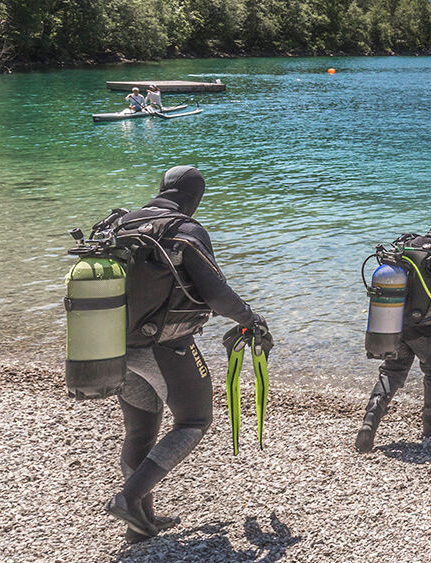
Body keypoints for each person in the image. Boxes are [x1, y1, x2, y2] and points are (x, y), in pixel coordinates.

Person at [104, 166, 270, 542]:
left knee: (140, 430)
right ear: (194, 198)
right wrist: (251, 318)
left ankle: (138, 526)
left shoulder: (123, 224)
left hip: (114, 345)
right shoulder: (185, 231)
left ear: (162, 189)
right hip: (165, 347)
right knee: (194, 421)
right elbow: (217, 295)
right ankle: (129, 500)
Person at [355, 213, 431, 453]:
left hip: (394, 324)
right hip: (428, 330)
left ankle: (369, 423)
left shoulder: (405, 246)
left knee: (391, 372)